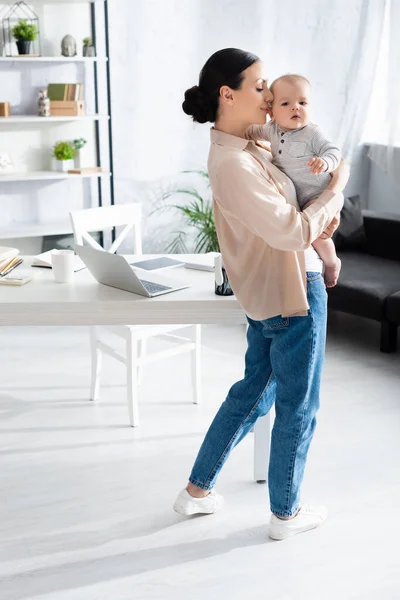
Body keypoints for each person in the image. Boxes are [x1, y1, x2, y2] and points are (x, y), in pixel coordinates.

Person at [173, 48, 349, 541]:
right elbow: (292, 231)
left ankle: (197, 491)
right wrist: (337, 187)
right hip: (293, 292)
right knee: (298, 405)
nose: (268, 96)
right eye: (259, 86)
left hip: (273, 292)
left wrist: (324, 229)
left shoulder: (252, 144)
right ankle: (285, 515)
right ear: (228, 95)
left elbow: (296, 190)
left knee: (253, 392)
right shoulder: (234, 164)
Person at [245, 73, 342, 287]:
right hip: (300, 196)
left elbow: (333, 150)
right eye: (286, 103)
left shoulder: (312, 133)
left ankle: (332, 262)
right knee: (308, 229)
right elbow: (250, 131)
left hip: (318, 193)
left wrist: (325, 162)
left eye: (302, 102)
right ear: (271, 112)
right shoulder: (271, 130)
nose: (295, 107)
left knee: (316, 234)